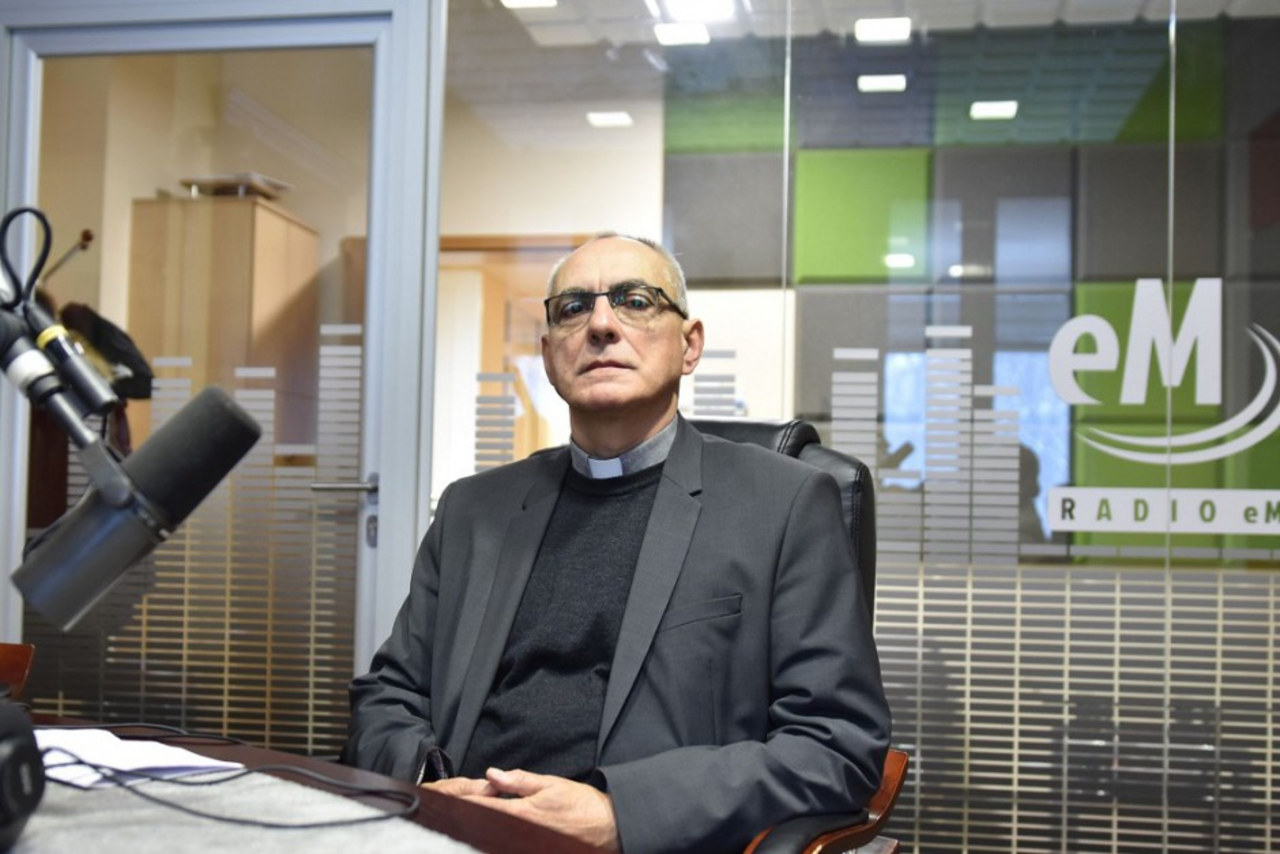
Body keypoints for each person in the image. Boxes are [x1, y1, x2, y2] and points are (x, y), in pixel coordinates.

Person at [343, 233, 891, 853]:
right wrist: (429, 786)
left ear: (690, 345)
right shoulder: (473, 509)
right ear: (549, 354)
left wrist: (619, 816)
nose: (601, 324)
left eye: (635, 300)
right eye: (574, 307)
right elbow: (387, 695)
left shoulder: (784, 503)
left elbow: (835, 745)